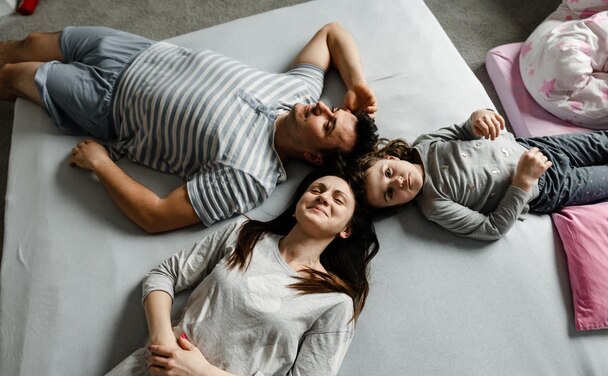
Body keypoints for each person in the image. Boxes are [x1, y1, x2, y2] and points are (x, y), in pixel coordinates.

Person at [0, 23, 378, 233]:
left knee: (14, 76)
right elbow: (332, 33)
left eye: (327, 124)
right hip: (139, 51)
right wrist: (356, 83)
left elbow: (157, 216)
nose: (320, 107)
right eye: (331, 109)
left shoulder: (249, 177)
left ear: (313, 155)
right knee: (30, 42)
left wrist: (101, 164)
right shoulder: (298, 90)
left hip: (110, 105)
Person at [64, 167, 379, 376]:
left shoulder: (334, 303)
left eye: (339, 200)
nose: (324, 197)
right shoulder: (246, 235)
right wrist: (162, 342)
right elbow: (164, 275)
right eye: (317, 189)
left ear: (346, 229)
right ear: (296, 207)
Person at [357, 108, 608, 241]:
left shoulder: (425, 144)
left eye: (389, 173)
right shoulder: (435, 205)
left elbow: (465, 131)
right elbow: (492, 228)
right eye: (390, 193)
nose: (398, 181)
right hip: (547, 188)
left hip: (534, 147)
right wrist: (523, 182)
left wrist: (478, 117)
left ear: (390, 158)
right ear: (395, 206)